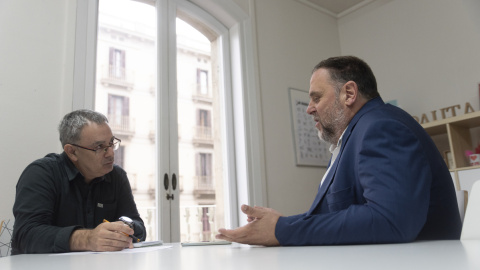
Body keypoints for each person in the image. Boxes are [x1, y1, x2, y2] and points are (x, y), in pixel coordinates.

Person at [216, 56, 462, 246]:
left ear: (349, 94)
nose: (309, 109)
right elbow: (340, 220)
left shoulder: (381, 127)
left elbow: (390, 220)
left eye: (316, 97)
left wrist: (283, 228)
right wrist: (280, 225)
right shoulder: (353, 138)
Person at [12, 109, 146, 254]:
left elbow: (139, 228)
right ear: (72, 152)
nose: (111, 153)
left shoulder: (116, 175)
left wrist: (125, 227)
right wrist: (88, 239)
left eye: (111, 143)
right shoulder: (41, 173)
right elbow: (26, 235)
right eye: (99, 147)